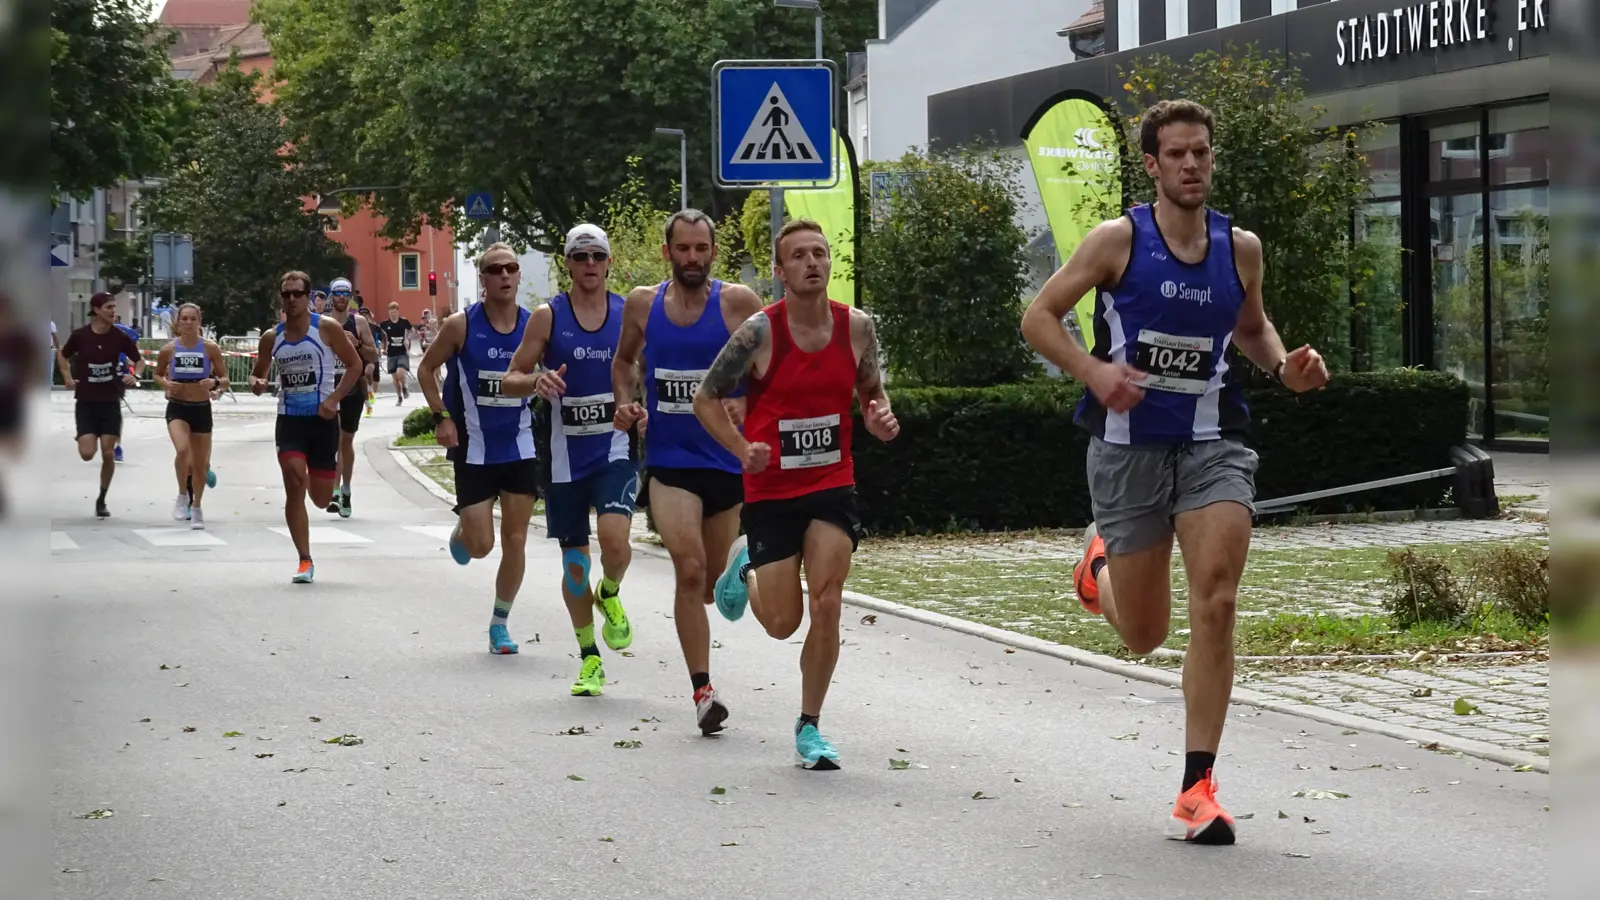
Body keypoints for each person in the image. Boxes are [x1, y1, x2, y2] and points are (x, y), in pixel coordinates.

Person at [1018, 99, 1330, 844]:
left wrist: (1287, 367)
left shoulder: (1239, 248)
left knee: (1217, 600)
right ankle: (1099, 568)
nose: (1193, 165)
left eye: (1203, 153)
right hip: (1127, 447)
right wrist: (1093, 371)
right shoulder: (1116, 240)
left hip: (1215, 439)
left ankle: (1197, 789)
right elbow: (1038, 317)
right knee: (1146, 637)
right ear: (1153, 166)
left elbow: (1251, 331)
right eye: (1178, 155)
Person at [698, 219, 900, 769]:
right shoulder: (760, 333)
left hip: (832, 484)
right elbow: (705, 398)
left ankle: (810, 726)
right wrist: (741, 449)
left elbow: (871, 391)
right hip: (771, 491)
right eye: (799, 256)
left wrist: (880, 419)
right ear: (781, 270)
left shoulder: (856, 327)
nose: (812, 262)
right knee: (784, 622)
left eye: (820, 253)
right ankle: (745, 567)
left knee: (828, 601)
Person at [611, 209, 765, 733]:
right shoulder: (642, 304)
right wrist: (624, 402)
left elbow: (771, 365)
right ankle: (703, 692)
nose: (693, 258)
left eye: (702, 249)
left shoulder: (738, 304)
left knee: (710, 587)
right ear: (667, 252)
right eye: (684, 249)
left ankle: (740, 561)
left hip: (725, 460)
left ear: (713, 253)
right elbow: (624, 362)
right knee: (690, 570)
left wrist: (751, 405)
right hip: (672, 464)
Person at [500, 225, 637, 695]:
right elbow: (509, 378)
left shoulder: (627, 314)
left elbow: (648, 370)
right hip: (564, 460)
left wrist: (638, 405)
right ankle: (590, 659)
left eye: (598, 255)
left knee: (616, 543)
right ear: (568, 264)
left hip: (614, 450)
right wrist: (535, 382)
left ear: (609, 262)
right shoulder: (548, 316)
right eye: (581, 256)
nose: (590, 264)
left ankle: (612, 593)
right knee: (575, 567)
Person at [416, 243, 541, 656]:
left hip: (520, 444)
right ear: (483, 278)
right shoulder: (460, 325)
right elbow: (426, 369)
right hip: (474, 446)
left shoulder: (535, 326)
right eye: (495, 269)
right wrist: (441, 416)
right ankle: (464, 532)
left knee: (516, 538)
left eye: (511, 268)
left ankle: (499, 624)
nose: (505, 275)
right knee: (482, 545)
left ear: (518, 276)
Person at [249, 271, 365, 583]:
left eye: (297, 294)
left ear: (308, 295)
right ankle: (304, 559)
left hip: (323, 421)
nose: (291, 299)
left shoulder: (326, 328)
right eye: (286, 294)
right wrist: (257, 382)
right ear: (281, 298)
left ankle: (330, 475)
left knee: (321, 498)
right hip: (289, 421)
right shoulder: (272, 338)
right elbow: (257, 373)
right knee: (294, 479)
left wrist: (335, 400)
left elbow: (355, 366)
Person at [58, 293, 143, 517]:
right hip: (86, 402)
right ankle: (85, 435)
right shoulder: (80, 336)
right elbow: (62, 355)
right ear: (96, 310)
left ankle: (102, 499)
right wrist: (67, 376)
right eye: (109, 307)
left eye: (114, 307)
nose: (113, 311)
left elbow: (139, 361)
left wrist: (135, 376)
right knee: (87, 454)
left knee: (107, 453)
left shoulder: (120, 337)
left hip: (110, 401)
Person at [153, 303, 228, 528]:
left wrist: (214, 382)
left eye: (192, 318)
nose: (187, 322)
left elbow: (225, 379)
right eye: (183, 318)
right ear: (178, 322)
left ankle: (196, 508)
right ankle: (182, 496)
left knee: (200, 465)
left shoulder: (210, 348)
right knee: (183, 450)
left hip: (201, 408)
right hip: (177, 407)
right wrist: (166, 383)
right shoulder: (169, 349)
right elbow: (157, 374)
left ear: (199, 321)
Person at [320, 277, 380, 518]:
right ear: (331, 297)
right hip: (329, 386)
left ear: (350, 297)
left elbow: (373, 355)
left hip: (353, 387)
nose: (342, 297)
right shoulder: (323, 323)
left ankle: (344, 489)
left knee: (346, 440)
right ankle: (334, 491)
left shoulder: (360, 322)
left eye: (346, 294)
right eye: (338, 293)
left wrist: (357, 345)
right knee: (333, 440)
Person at [112, 315, 140, 462]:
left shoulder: (125, 333)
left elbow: (136, 355)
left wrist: (133, 373)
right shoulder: (92, 333)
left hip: (118, 375)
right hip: (96, 379)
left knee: (115, 410)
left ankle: (117, 445)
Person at [378, 302, 415, 404]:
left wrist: (408, 338)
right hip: (391, 353)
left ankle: (404, 386)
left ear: (398, 312)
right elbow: (379, 335)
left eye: (394, 312)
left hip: (402, 352)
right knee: (394, 377)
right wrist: (382, 345)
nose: (392, 314)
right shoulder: (385, 324)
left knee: (400, 373)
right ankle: (399, 397)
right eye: (390, 312)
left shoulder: (404, 322)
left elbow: (412, 330)